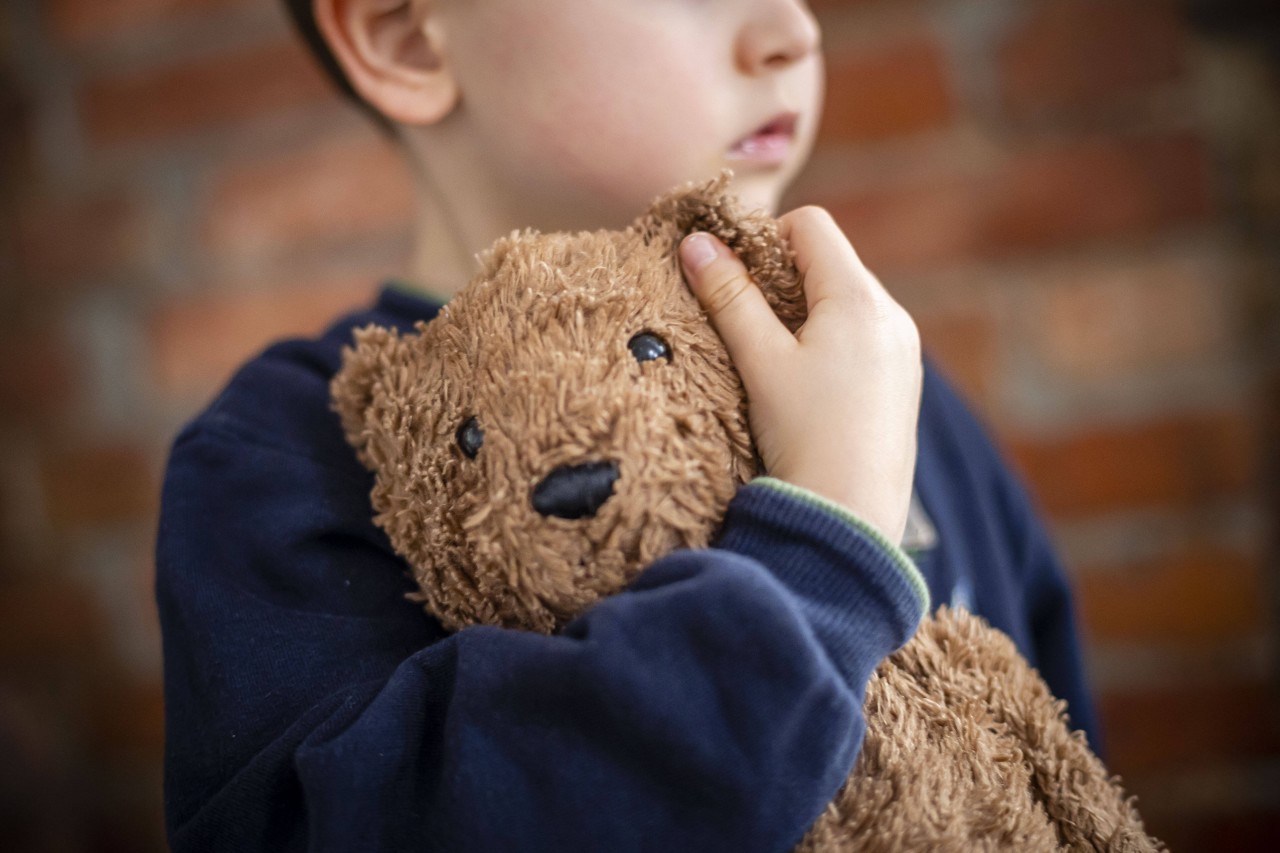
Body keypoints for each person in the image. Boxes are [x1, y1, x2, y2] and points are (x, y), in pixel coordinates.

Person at [155, 1, 1101, 850]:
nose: (792, 31)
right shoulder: (288, 452)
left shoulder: (885, 380)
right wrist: (827, 547)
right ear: (405, 39)